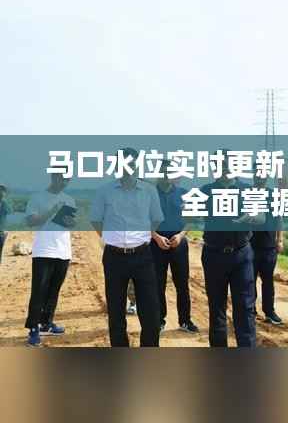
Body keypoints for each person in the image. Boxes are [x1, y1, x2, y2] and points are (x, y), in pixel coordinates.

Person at [90, 148, 164, 347]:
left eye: (132, 163)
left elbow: (156, 218)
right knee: (115, 312)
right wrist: (111, 238)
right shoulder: (104, 191)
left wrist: (142, 235)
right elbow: (96, 220)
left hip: (143, 255)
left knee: (151, 312)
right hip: (114, 257)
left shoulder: (149, 190)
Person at [200, 156, 260, 347]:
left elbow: (261, 217)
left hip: (241, 254)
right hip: (213, 254)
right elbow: (189, 215)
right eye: (219, 164)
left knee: (245, 306)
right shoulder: (205, 191)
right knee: (216, 306)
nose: (224, 168)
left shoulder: (247, 190)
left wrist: (249, 216)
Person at [24, 170, 76, 347]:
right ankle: (33, 328)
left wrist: (71, 222)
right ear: (54, 176)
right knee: (39, 292)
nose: (65, 182)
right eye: (62, 178)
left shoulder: (69, 199)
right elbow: (31, 221)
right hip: (44, 250)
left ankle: (46, 323)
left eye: (68, 179)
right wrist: (52, 211)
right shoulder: (37, 197)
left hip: (63, 251)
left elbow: (71, 224)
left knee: (54, 291)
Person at [151, 160, 199, 333]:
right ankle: (159, 321)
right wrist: (156, 237)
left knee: (182, 284)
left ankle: (185, 320)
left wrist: (180, 235)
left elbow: (191, 220)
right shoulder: (150, 194)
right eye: (163, 172)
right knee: (158, 284)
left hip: (179, 243)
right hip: (156, 244)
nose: (166, 175)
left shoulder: (183, 193)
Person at [250, 171, 284, 325]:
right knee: (249, 280)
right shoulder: (246, 194)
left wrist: (280, 239)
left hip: (269, 245)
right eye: (257, 174)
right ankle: (250, 311)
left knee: (268, 280)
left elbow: (279, 218)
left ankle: (269, 312)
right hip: (249, 245)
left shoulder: (273, 195)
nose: (260, 177)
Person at [0, 183, 12, 265]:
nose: (1, 192)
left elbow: (10, 211)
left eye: (3, 190)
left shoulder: (5, 203)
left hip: (2, 232)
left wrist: (4, 200)